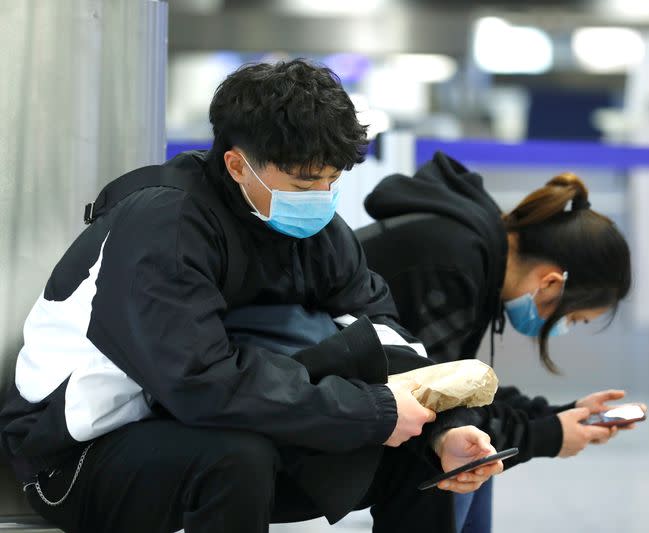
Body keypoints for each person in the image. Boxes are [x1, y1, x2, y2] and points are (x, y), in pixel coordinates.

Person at [0, 62, 502, 533]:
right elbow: (199, 381)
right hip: (81, 453)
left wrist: (446, 428)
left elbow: (385, 334)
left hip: (206, 421)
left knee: (418, 454)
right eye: (306, 180)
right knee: (236, 457)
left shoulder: (319, 231)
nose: (322, 196)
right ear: (238, 165)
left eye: (333, 179)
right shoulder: (166, 225)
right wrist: (368, 411)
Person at [357, 152, 637, 532]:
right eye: (573, 318)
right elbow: (435, 408)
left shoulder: (474, 251)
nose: (565, 327)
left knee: (471, 457)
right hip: (320, 401)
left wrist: (559, 414)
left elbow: (453, 393)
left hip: (358, 394)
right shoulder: (454, 262)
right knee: (451, 459)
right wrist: (548, 435)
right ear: (552, 282)